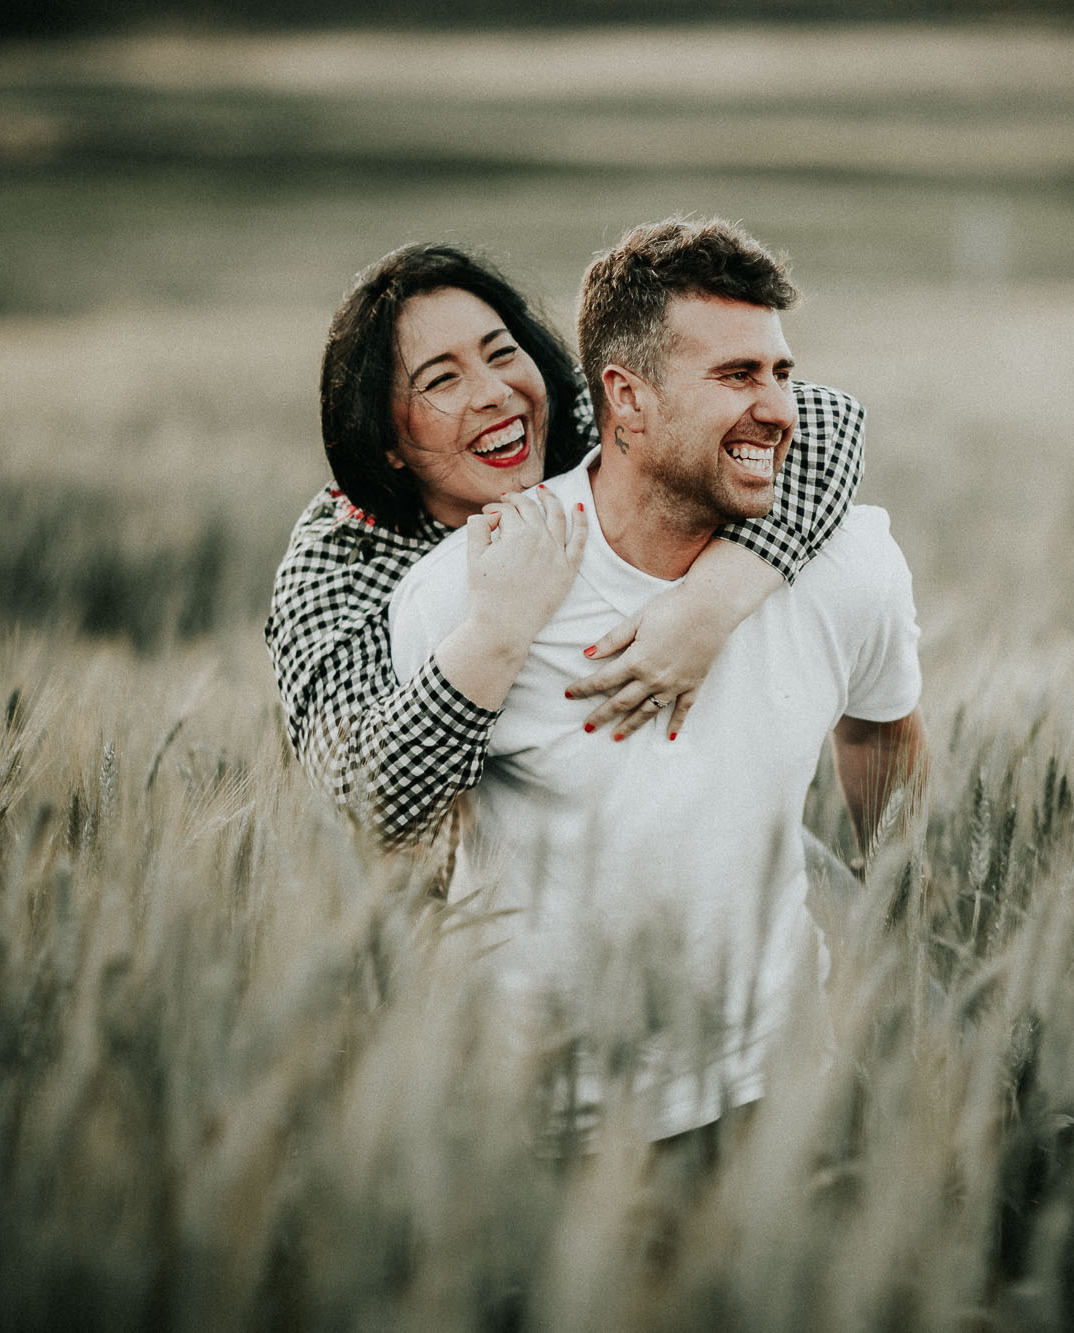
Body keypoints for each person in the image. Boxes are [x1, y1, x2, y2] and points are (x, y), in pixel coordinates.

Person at [387, 218, 928, 1139]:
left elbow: (881, 734)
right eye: (736, 377)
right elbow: (400, 842)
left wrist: (898, 941)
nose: (778, 408)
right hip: (535, 1123)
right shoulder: (467, 596)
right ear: (626, 402)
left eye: (780, 373)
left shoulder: (850, 567)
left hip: (778, 1097)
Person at [265, 243, 867, 847]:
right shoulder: (342, 561)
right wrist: (498, 631)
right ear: (385, 439)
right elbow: (358, 804)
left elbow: (825, 419)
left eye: (503, 353)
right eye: (441, 380)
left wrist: (707, 607)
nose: (495, 392)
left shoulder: (585, 422)